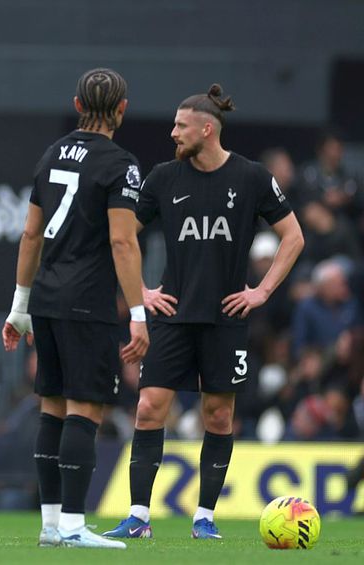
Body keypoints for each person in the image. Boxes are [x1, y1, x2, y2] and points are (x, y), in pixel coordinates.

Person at [103, 84, 304, 540]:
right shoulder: (162, 178)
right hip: (172, 314)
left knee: (217, 416)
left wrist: (262, 291)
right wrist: (141, 291)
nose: (173, 133)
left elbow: (293, 237)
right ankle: (138, 517)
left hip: (226, 318)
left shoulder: (252, 177)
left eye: (181, 126)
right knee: (148, 407)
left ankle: (204, 518)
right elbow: (122, 236)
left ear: (207, 130)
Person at [2, 68, 149, 549]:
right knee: (85, 411)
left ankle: (50, 525)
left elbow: (30, 234)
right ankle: (71, 525)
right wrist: (139, 313)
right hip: (87, 303)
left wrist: (19, 306)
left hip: (45, 298)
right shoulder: (121, 164)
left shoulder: (51, 154)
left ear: (77, 105)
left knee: (52, 409)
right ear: (121, 109)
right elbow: (122, 242)